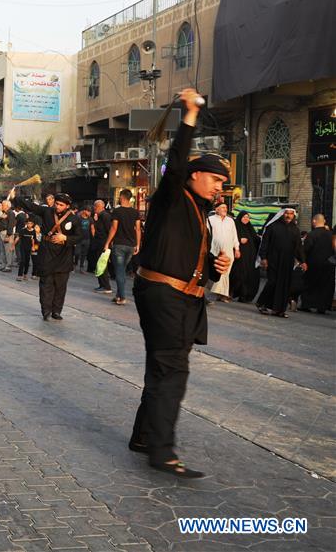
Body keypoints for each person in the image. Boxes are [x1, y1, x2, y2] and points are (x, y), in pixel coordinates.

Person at [128, 88, 232, 478]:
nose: (219, 186)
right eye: (214, 178)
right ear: (193, 175)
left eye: (223, 181)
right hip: (164, 295)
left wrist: (215, 266)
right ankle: (163, 452)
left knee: (162, 368)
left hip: (183, 298)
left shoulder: (200, 213)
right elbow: (173, 163)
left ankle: (144, 437)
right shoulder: (172, 198)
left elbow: (193, 262)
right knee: (173, 371)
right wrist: (189, 116)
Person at [11, 191, 80, 319]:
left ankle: (56, 311)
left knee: (60, 286)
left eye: (61, 205)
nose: (57, 206)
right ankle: (46, 310)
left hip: (64, 256)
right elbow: (31, 206)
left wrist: (65, 238)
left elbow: (79, 237)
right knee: (46, 284)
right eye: (57, 204)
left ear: (67, 206)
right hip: (47, 253)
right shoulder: (47, 212)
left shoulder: (74, 218)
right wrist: (15, 198)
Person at [256, 208, 305, 317]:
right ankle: (261, 303)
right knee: (272, 282)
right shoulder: (272, 227)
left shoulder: (295, 229)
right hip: (273, 259)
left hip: (287, 261)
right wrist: (263, 257)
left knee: (284, 285)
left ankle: (279, 310)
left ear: (293, 215)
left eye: (291, 214)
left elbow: (298, 247)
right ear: (282, 214)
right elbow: (265, 243)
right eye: (287, 213)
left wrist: (302, 261)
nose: (288, 215)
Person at [103, 190, 141, 305]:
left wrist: (107, 243)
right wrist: (138, 244)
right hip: (131, 245)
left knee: (119, 272)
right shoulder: (135, 212)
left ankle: (122, 297)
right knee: (122, 271)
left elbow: (114, 228)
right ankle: (118, 295)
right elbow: (138, 229)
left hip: (119, 244)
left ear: (122, 197)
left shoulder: (117, 211)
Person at [299, 214, 333, 314]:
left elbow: (306, 250)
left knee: (310, 284)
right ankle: (322, 307)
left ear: (314, 221)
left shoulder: (312, 234)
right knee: (325, 285)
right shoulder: (330, 234)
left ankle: (307, 305)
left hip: (313, 264)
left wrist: (303, 261)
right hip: (328, 263)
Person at [206, 201, 239, 302]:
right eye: (222, 207)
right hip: (214, 249)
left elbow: (234, 235)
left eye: (225, 207)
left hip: (228, 250)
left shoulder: (230, 221)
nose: (225, 209)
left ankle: (221, 293)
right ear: (216, 209)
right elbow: (206, 234)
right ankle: (221, 294)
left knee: (225, 272)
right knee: (216, 271)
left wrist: (237, 248)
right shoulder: (210, 220)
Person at [231, 211, 261, 303]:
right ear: (240, 217)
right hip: (240, 256)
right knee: (240, 275)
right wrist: (239, 240)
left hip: (250, 257)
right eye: (244, 217)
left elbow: (255, 240)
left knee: (249, 276)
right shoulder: (235, 227)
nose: (246, 219)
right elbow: (231, 238)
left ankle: (245, 296)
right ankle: (238, 293)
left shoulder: (250, 228)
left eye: (248, 217)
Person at [90, 199, 113, 293]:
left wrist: (108, 243)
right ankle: (102, 284)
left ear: (100, 207)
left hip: (103, 243)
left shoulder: (105, 216)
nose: (94, 208)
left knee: (102, 264)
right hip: (99, 242)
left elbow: (109, 229)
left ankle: (106, 286)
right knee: (99, 264)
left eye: (95, 206)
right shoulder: (100, 216)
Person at [16, 215, 38, 281]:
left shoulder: (34, 232)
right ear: (26, 224)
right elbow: (18, 238)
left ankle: (25, 274)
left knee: (27, 262)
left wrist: (33, 247)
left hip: (29, 248)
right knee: (22, 261)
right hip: (22, 247)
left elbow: (33, 240)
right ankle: (19, 275)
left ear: (33, 224)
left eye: (31, 223)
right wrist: (12, 245)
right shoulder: (23, 230)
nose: (29, 225)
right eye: (28, 223)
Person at [75, 208, 92, 274]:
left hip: (87, 239)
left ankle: (81, 268)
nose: (90, 213)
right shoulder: (78, 218)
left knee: (84, 254)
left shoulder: (90, 219)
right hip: (79, 239)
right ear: (84, 211)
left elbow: (92, 228)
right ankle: (75, 265)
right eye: (88, 211)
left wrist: (93, 237)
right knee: (77, 253)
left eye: (90, 212)